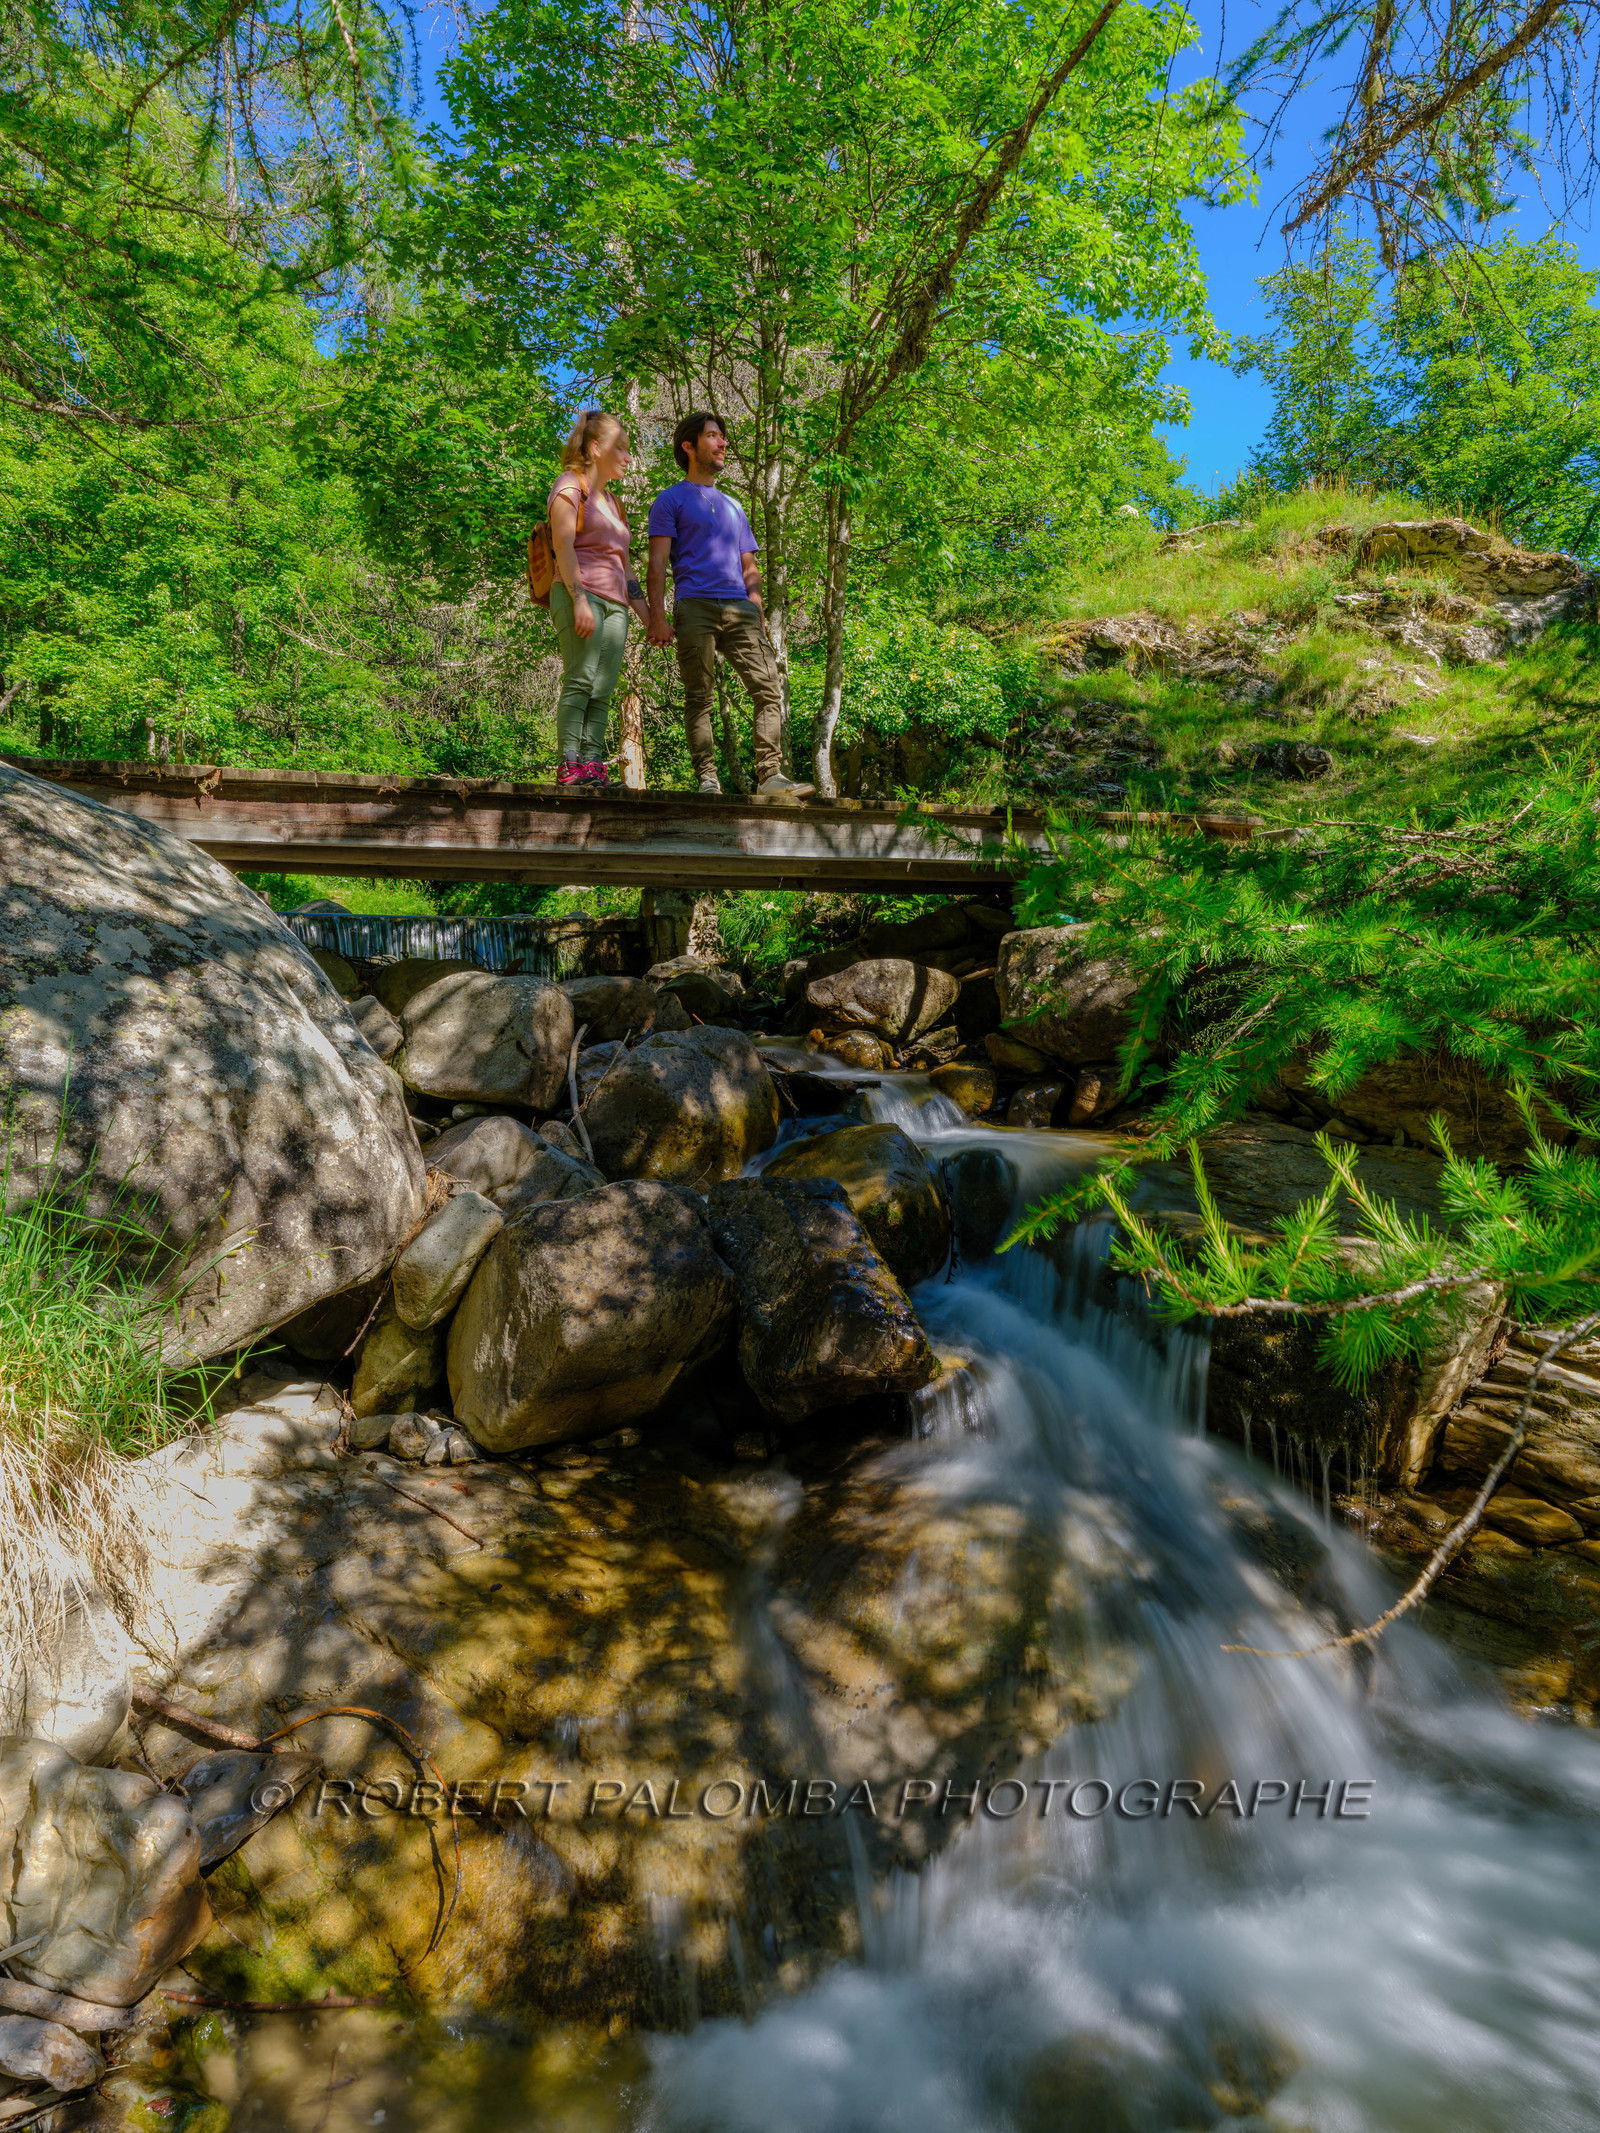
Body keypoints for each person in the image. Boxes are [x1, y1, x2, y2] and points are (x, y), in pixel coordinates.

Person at [647, 411, 813, 799]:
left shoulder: (735, 506)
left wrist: (754, 604)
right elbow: (656, 564)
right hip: (695, 606)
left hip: (740, 609)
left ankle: (770, 775)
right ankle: (708, 778)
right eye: (712, 436)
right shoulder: (669, 500)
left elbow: (749, 566)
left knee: (768, 690)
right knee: (699, 697)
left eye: (722, 437)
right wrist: (656, 614)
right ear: (689, 447)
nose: (723, 444)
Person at [548, 409, 650, 788]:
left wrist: (649, 617)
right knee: (580, 679)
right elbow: (563, 546)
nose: (627, 456)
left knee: (603, 687)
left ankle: (593, 765)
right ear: (595, 448)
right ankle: (570, 765)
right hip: (580, 592)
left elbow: (626, 569)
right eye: (620, 448)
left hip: (616, 605)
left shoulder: (615, 504)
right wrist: (577, 601)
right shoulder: (570, 486)